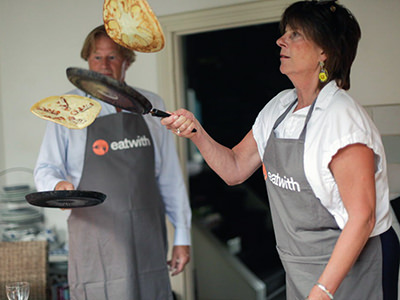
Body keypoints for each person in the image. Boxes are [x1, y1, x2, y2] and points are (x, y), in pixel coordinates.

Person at [161, 1, 400, 299]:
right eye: (285, 32)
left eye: (296, 34)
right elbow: (234, 168)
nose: (280, 40)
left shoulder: (342, 120)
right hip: (299, 261)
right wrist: (195, 131)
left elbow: (361, 217)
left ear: (324, 52)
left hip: (354, 260)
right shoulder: (280, 106)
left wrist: (322, 291)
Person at [34, 25, 191, 300]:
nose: (104, 66)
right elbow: (46, 168)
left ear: (127, 61)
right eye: (97, 57)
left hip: (147, 234)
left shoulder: (152, 105)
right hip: (96, 235)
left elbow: (169, 177)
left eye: (112, 57)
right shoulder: (67, 108)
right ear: (86, 60)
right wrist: (58, 185)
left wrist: (182, 236)